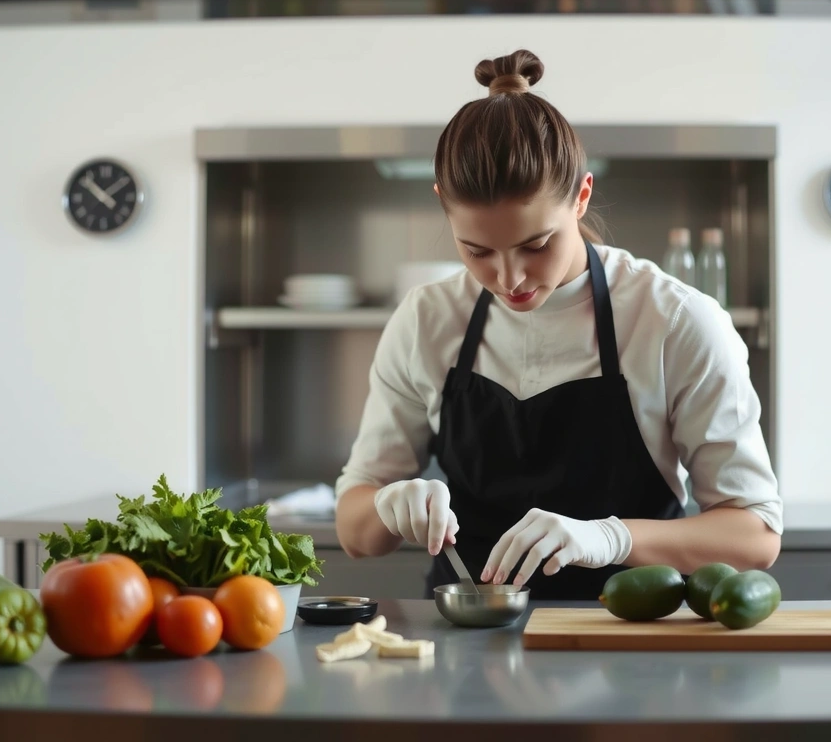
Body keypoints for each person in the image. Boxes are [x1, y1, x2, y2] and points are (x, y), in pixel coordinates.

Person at [334, 48, 782, 601]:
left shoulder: (674, 321)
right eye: (476, 251)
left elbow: (754, 534)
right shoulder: (427, 320)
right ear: (442, 208)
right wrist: (387, 505)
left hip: (632, 643)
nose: (508, 277)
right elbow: (355, 533)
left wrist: (609, 538)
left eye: (536, 244)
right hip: (468, 646)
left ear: (582, 196)